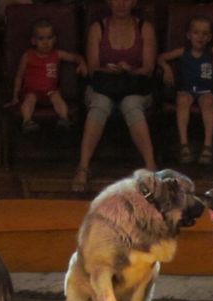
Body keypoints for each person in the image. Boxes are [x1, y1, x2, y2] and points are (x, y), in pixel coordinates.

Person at [72, 0, 159, 193]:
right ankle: (83, 167)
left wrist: (129, 70)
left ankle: (151, 168)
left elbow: (148, 68)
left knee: (131, 104)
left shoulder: (145, 28)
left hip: (134, 86)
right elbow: (93, 68)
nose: (121, 4)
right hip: (104, 85)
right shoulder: (98, 28)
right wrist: (111, 69)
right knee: (100, 103)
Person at [158, 13, 213, 166]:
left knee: (208, 102)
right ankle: (184, 144)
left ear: (209, 38)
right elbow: (161, 57)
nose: (200, 37)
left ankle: (207, 145)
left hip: (205, 91)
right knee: (182, 100)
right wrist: (166, 68)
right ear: (189, 35)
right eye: (196, 32)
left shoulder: (212, 53)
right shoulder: (183, 52)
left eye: (204, 34)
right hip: (186, 90)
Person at [11, 18, 87, 132]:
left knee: (57, 98)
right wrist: (15, 96)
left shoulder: (57, 54)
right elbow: (19, 76)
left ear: (54, 39)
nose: (46, 42)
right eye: (41, 38)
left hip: (51, 91)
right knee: (29, 100)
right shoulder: (28, 55)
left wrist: (82, 63)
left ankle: (64, 118)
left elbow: (75, 57)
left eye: (49, 38)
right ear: (33, 41)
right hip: (32, 91)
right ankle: (27, 121)